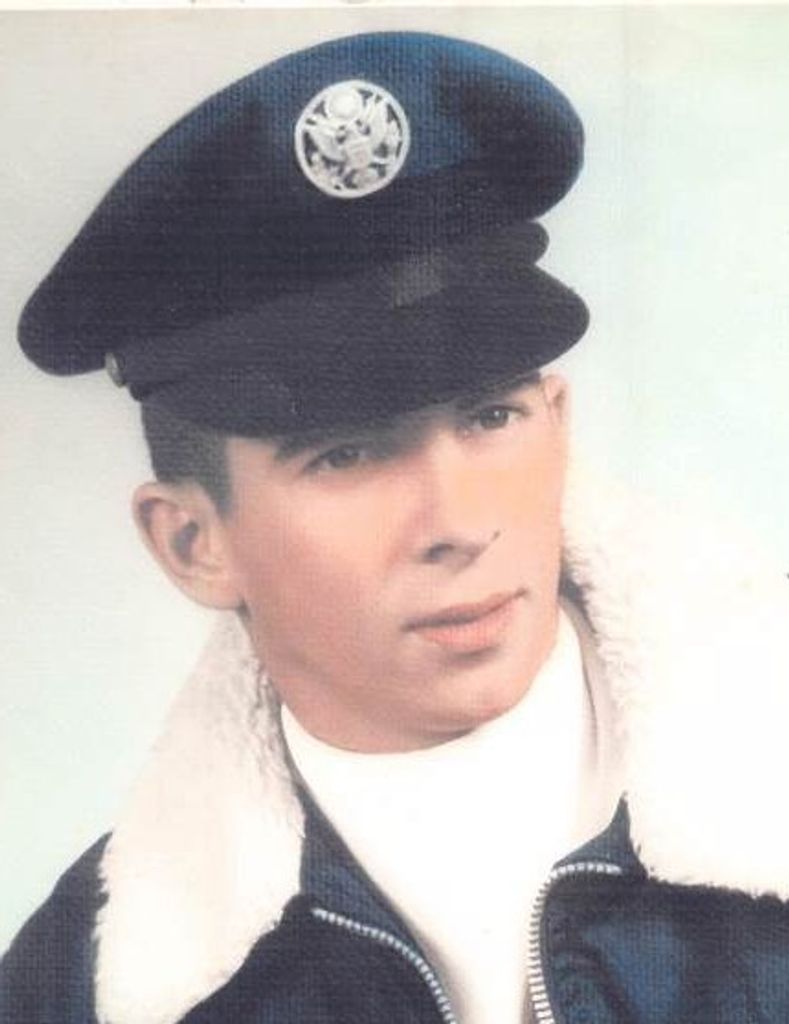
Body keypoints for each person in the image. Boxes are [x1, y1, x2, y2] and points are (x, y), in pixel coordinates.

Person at [4, 27, 789, 1024]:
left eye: (491, 417)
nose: (458, 523)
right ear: (193, 545)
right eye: (346, 456)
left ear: (557, 425)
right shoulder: (85, 990)